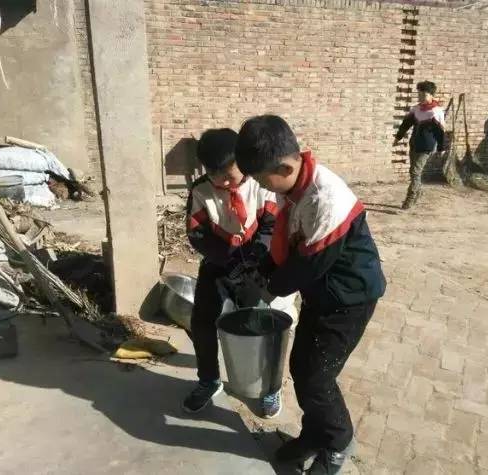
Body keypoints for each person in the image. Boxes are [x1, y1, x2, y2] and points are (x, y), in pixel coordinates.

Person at [235, 115, 386, 475]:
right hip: (322, 293)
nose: (261, 187)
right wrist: (264, 268)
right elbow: (289, 241)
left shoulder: (326, 200)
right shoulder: (292, 185)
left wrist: (266, 288)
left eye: (261, 179)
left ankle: (338, 443)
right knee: (302, 368)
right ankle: (315, 434)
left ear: (284, 167)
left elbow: (307, 266)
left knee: (317, 378)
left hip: (349, 298)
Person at [183, 128, 286, 418]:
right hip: (218, 266)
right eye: (215, 175)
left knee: (259, 327)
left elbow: (271, 225)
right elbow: (197, 233)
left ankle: (268, 386)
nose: (224, 182)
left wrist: (256, 258)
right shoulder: (201, 191)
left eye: (229, 174)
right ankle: (209, 380)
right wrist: (227, 260)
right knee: (202, 323)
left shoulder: (260, 185)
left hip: (255, 269)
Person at [393, 80, 446, 209]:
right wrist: (398, 137)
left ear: (431, 95)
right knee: (413, 171)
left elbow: (440, 132)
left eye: (424, 95)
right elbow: (406, 124)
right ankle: (419, 191)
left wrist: (441, 147)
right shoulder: (416, 109)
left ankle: (410, 198)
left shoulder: (436, 112)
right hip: (414, 143)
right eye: (419, 94)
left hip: (427, 147)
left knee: (415, 172)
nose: (421, 97)